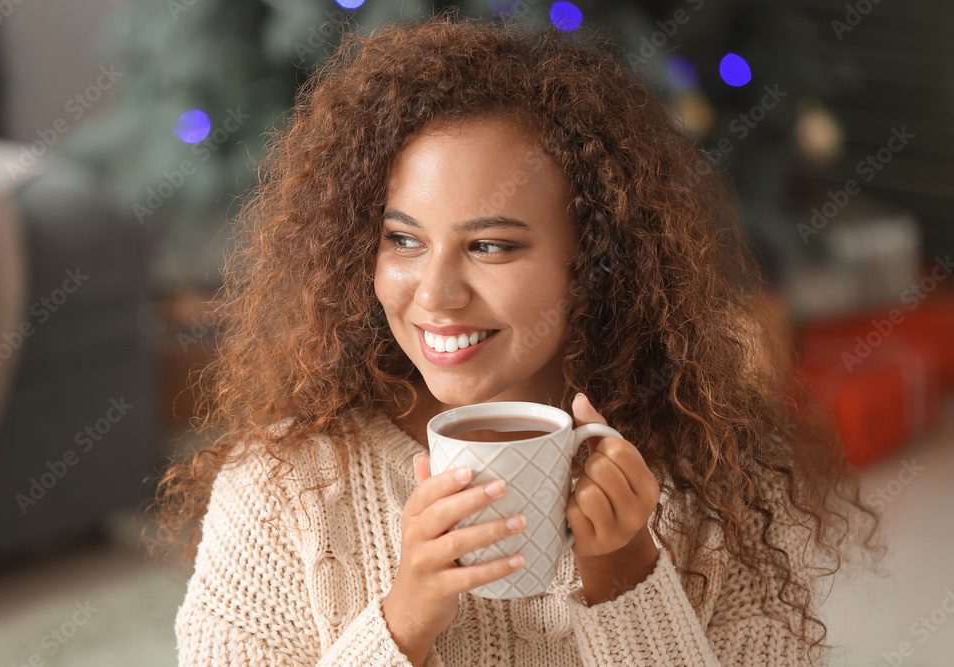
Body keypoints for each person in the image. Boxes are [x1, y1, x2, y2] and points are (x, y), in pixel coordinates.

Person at [151, 9, 886, 666]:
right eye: (403, 241)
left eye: (492, 247)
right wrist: (401, 623)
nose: (435, 293)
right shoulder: (282, 489)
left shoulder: (712, 480)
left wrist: (629, 576)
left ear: (595, 261)